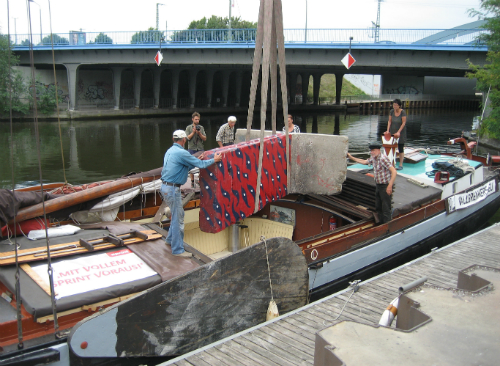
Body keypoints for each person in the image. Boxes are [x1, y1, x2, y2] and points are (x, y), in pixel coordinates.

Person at [161, 130, 222, 257]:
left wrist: (195, 160)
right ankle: (177, 250)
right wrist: (214, 160)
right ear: (184, 140)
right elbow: (201, 165)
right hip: (172, 189)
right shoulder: (182, 152)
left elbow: (181, 167)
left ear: (174, 139)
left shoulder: (170, 151)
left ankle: (169, 240)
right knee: (178, 219)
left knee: (176, 214)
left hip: (165, 187)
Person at [347, 143, 397, 224]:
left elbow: (394, 171)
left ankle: (388, 226)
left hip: (385, 185)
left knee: (386, 207)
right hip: (378, 185)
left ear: (378, 150)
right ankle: (381, 223)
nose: (372, 152)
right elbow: (364, 162)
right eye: (371, 151)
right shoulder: (374, 158)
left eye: (373, 150)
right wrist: (351, 157)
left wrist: (390, 186)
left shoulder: (383, 159)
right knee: (378, 206)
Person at [185, 112, 206, 187]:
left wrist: (199, 133)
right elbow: (187, 138)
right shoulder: (188, 128)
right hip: (191, 148)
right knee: (191, 163)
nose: (197, 121)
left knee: (201, 164)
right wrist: (193, 132)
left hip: (200, 148)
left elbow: (204, 138)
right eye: (196, 119)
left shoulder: (201, 128)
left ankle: (200, 179)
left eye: (198, 119)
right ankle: (192, 181)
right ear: (192, 119)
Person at [386, 98, 407, 170]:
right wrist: (387, 130)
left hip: (400, 132)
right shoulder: (392, 111)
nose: (394, 106)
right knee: (392, 147)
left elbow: (403, 122)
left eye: (396, 105)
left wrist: (398, 132)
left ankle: (401, 164)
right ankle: (391, 163)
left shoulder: (402, 112)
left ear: (399, 106)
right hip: (392, 131)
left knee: (400, 148)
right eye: (394, 105)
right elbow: (389, 121)